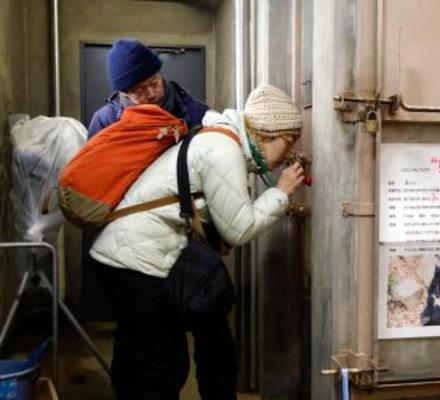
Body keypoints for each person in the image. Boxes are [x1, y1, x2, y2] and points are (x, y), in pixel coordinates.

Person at [89, 84, 306, 399]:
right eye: (289, 142)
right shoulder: (223, 149)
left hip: (130, 256)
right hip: (134, 262)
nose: (288, 154)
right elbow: (239, 229)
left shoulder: (217, 139)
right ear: (269, 134)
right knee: (157, 367)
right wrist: (280, 193)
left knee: (157, 357)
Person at [87, 38, 208, 138]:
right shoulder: (105, 121)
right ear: (124, 93)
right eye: (140, 91)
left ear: (160, 74)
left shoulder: (197, 112)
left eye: (155, 83)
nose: (151, 94)